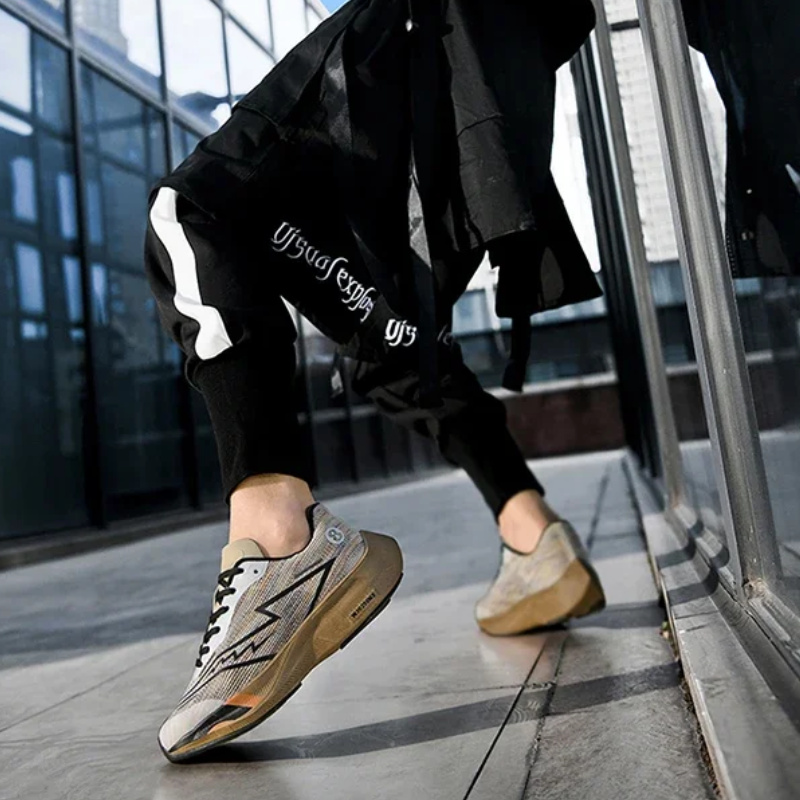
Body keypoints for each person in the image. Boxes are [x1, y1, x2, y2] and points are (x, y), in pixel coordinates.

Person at [144, 0, 606, 763]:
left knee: (195, 207)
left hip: (425, 32)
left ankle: (277, 542)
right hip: (491, 81)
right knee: (389, 341)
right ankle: (534, 537)